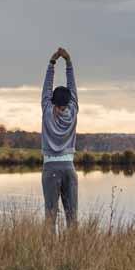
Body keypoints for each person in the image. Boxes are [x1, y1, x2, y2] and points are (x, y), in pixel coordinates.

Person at [41, 46, 78, 231]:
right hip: (69, 168)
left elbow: (47, 87)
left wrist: (52, 62)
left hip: (50, 169)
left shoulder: (47, 110)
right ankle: (75, 253)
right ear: (69, 101)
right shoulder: (73, 111)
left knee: (50, 217)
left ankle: (49, 256)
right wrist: (68, 62)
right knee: (72, 218)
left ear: (53, 101)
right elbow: (73, 88)